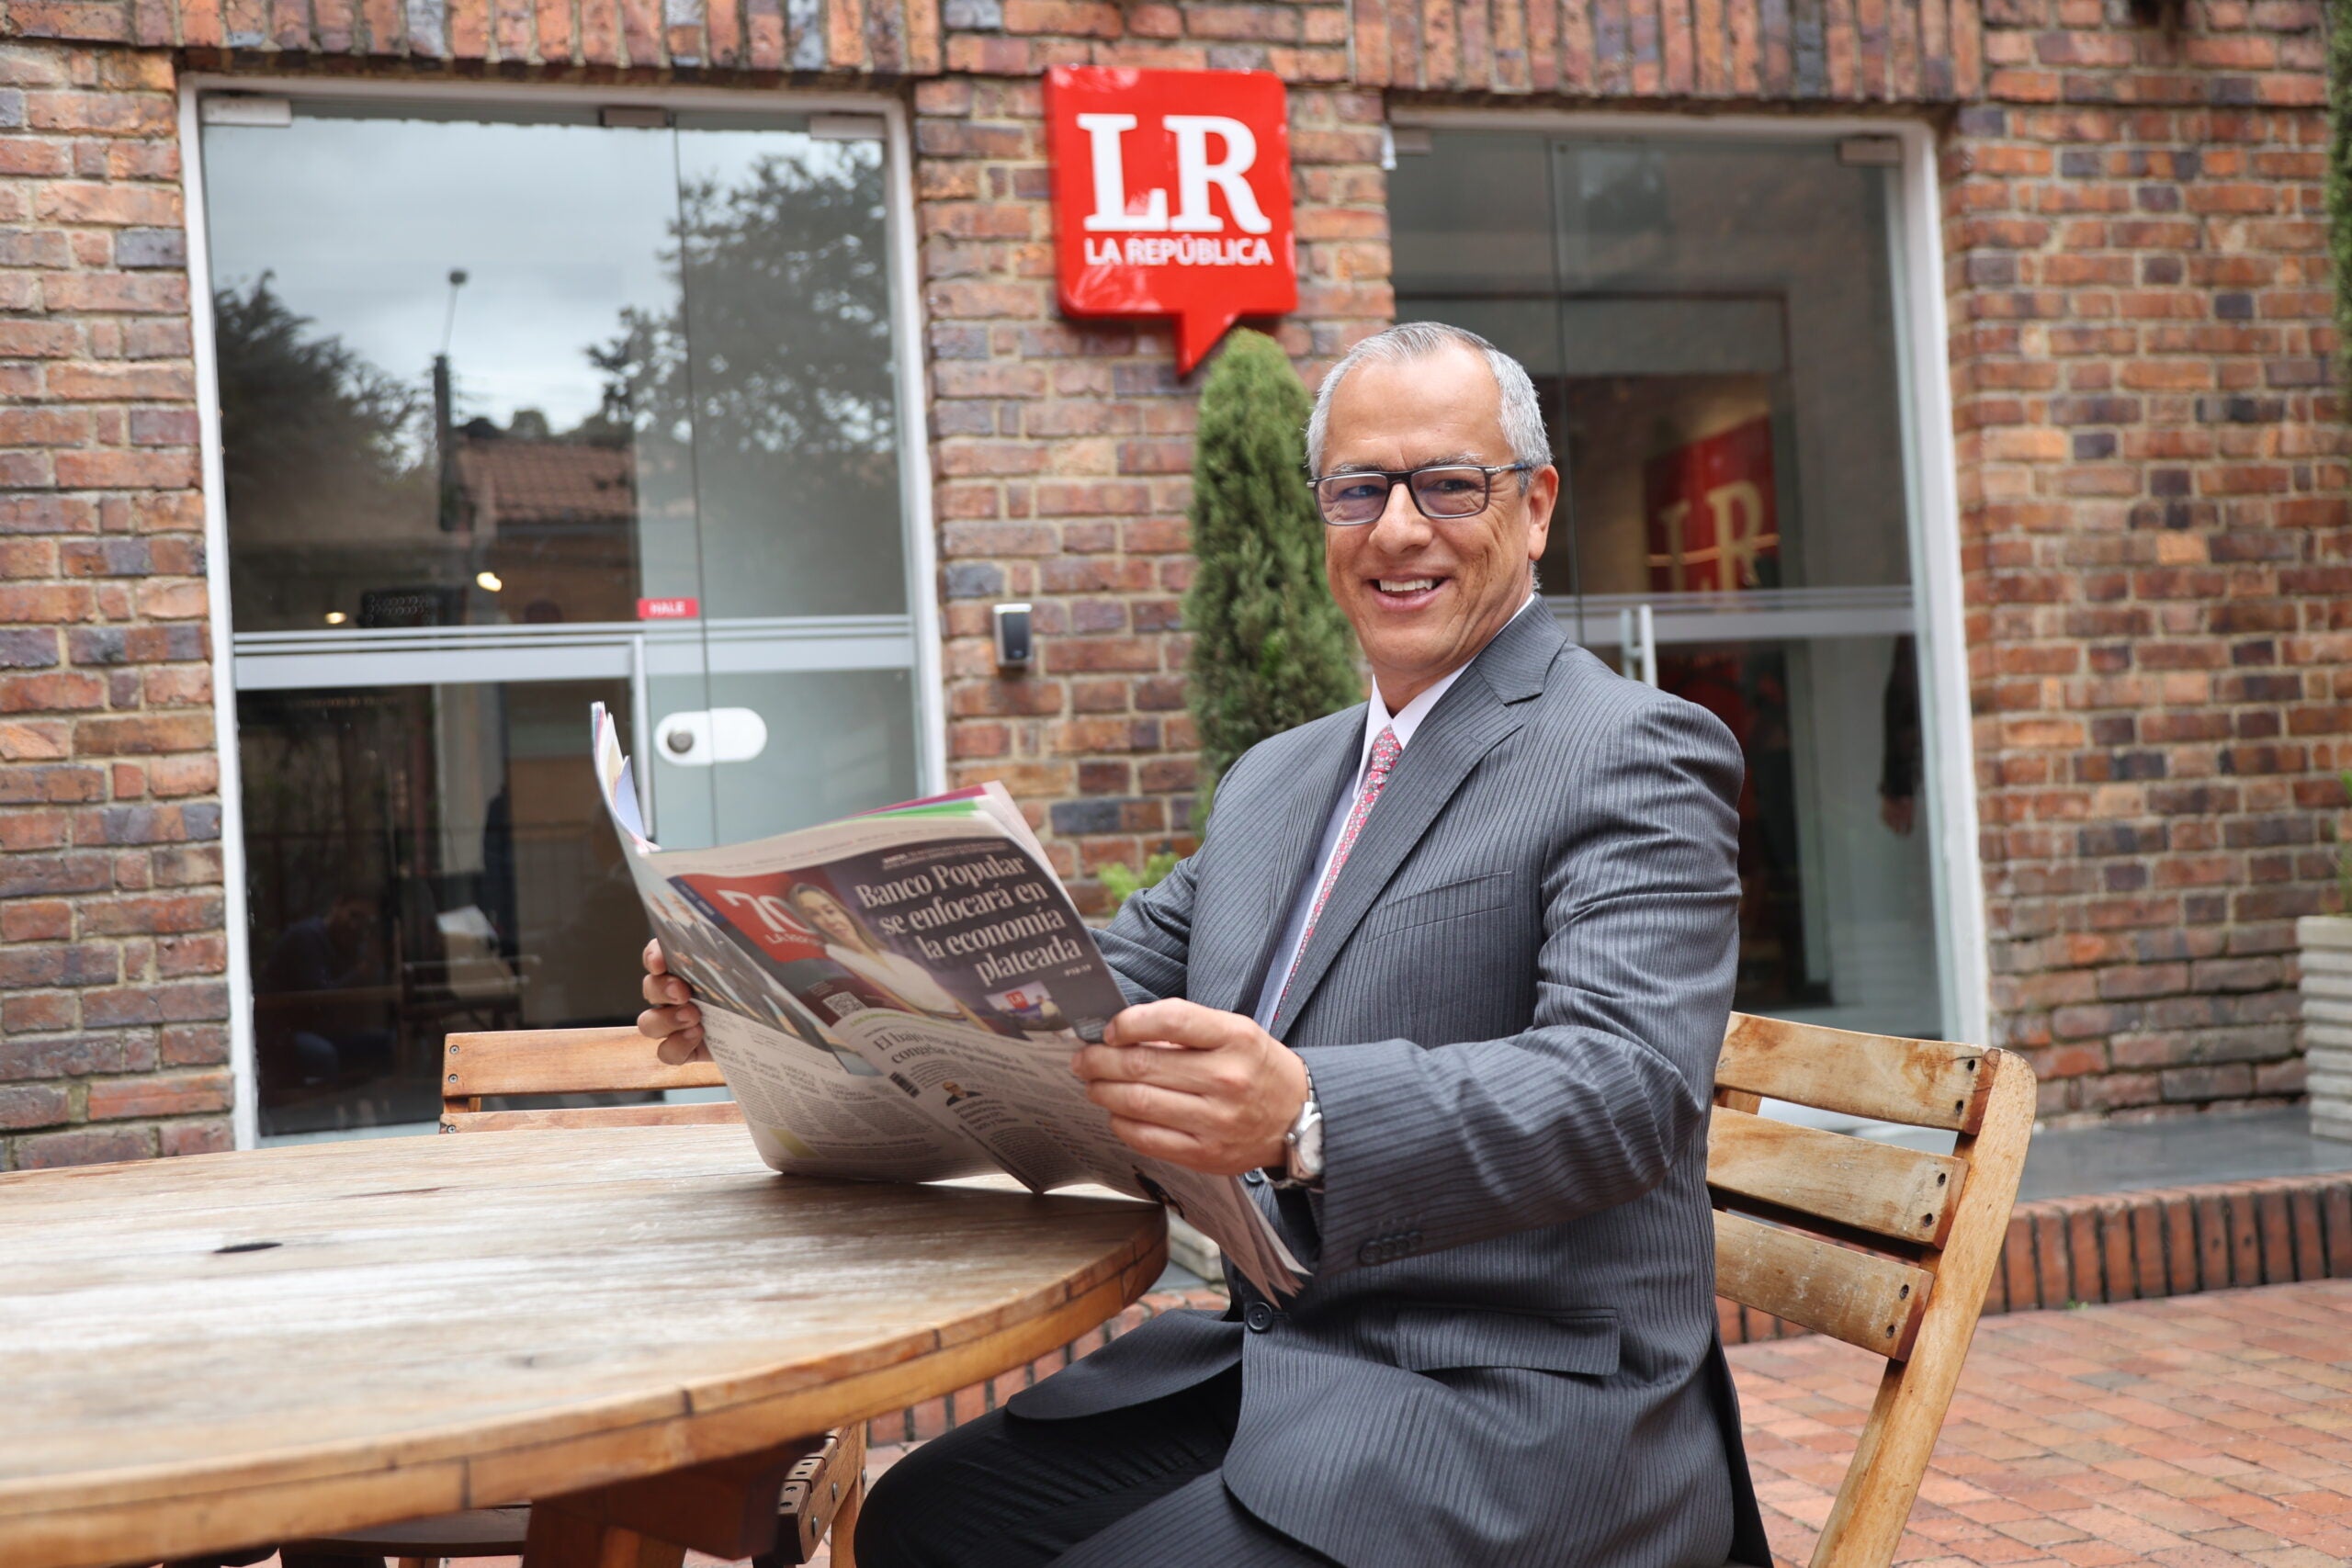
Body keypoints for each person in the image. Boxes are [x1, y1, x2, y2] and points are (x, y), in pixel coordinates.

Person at [639, 321, 1770, 1568]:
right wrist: (776, 989)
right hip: (1290, 1367)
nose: (1398, 529)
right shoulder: (1280, 782)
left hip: (1516, 1418)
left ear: (1537, 506)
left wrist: (1309, 1114)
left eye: (1448, 483)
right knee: (924, 1523)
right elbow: (1075, 992)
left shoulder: (1633, 749)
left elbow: (1625, 1089)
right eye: (1358, 489)